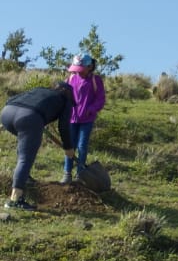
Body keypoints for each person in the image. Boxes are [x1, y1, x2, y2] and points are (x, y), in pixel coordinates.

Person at [2, 83, 76, 211]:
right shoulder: (65, 100)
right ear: (69, 94)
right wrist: (68, 147)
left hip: (6, 112)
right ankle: (15, 200)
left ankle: (25, 177)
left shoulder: (39, 90)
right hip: (29, 118)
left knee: (25, 147)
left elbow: (11, 100)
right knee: (26, 157)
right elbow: (64, 127)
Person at [63, 54, 106, 185]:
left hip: (86, 120)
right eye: (76, 69)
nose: (78, 72)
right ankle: (67, 173)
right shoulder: (70, 79)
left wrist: (91, 109)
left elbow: (100, 99)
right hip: (71, 119)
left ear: (90, 67)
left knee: (82, 146)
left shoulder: (95, 80)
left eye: (81, 69)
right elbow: (63, 96)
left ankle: (80, 174)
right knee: (70, 146)